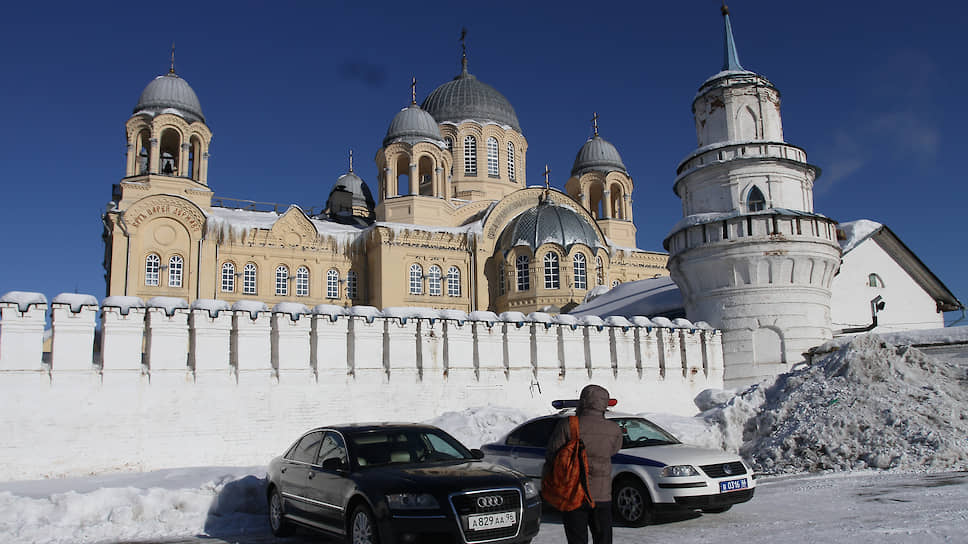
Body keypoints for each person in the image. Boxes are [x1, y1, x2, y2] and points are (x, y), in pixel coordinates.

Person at [545, 384, 623, 544]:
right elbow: (614, 451)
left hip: (573, 493)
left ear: (583, 401)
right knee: (603, 539)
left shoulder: (569, 425)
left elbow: (552, 454)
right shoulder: (614, 429)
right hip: (602, 495)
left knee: (577, 539)